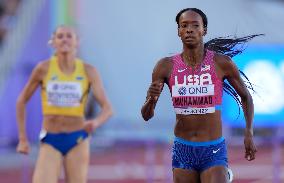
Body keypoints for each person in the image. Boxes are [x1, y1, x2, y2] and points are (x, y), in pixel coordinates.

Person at [141, 8, 258, 183]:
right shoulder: (165, 66)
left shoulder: (221, 63)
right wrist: (150, 99)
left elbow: (246, 97)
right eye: (184, 25)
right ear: (178, 31)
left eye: (195, 25)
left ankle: (223, 173)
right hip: (183, 150)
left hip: (213, 150)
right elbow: (146, 116)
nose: (189, 29)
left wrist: (248, 132)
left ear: (204, 30)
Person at [16, 25, 113, 183]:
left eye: (69, 36)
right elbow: (21, 101)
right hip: (50, 138)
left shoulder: (89, 71)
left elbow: (108, 109)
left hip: (77, 139)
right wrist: (22, 138)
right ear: (53, 42)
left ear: (77, 42)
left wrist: (95, 122)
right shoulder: (43, 69)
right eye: (60, 36)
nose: (65, 39)